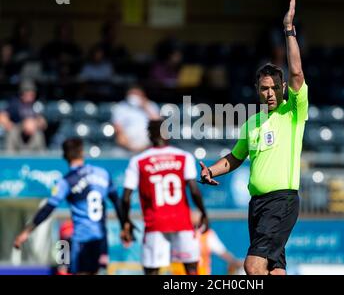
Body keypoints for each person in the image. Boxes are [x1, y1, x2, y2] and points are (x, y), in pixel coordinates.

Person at [198, 0, 308, 275]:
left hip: (281, 200)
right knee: (274, 269)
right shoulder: (253, 123)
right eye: (264, 89)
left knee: (252, 265)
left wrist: (288, 29)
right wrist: (212, 169)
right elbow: (234, 158)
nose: (269, 93)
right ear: (257, 90)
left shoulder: (292, 113)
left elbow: (296, 72)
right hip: (258, 205)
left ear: (282, 88)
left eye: (273, 88)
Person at [14, 137, 125, 275]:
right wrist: (125, 226)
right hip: (101, 239)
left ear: (64, 156)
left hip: (82, 239)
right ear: (82, 152)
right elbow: (117, 201)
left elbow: (48, 207)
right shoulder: (102, 173)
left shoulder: (67, 181)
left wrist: (27, 231)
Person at [120, 120, 209, 275]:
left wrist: (126, 221)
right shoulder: (183, 157)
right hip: (182, 221)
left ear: (149, 136)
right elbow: (194, 190)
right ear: (167, 133)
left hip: (155, 222)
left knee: (152, 271)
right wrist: (203, 213)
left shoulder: (138, 161)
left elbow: (126, 197)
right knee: (191, 269)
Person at [111, 85, 160, 154]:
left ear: (142, 94)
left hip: (148, 145)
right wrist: (130, 147)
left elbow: (158, 123)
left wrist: (145, 106)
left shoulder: (151, 105)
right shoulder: (120, 107)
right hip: (127, 145)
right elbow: (118, 128)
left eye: (136, 94)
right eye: (132, 94)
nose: (134, 97)